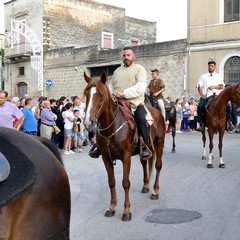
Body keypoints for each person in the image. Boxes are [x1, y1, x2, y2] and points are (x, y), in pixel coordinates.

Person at [90, 46, 152, 159]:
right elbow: (112, 87)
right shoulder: (117, 71)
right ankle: (98, 144)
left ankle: (144, 145)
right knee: (102, 117)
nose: (126, 57)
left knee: (141, 119)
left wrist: (123, 93)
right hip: (117, 102)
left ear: (134, 57)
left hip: (134, 103)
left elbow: (140, 87)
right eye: (124, 55)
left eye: (128, 55)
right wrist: (112, 94)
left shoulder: (139, 69)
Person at [197, 61, 225, 126]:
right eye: (209, 66)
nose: (210, 67)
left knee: (228, 106)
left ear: (214, 67)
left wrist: (214, 87)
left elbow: (222, 86)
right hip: (207, 96)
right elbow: (199, 87)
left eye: (212, 66)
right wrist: (202, 95)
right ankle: (201, 122)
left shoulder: (218, 76)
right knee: (200, 107)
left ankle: (229, 121)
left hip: (217, 96)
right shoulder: (203, 76)